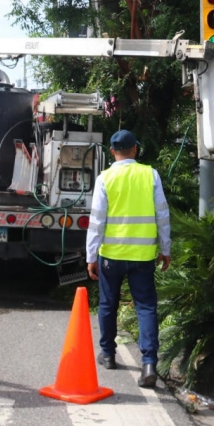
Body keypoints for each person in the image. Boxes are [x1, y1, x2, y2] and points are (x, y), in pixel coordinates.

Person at [86, 130, 171, 388]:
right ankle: (148, 363)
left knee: (108, 304)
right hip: (143, 256)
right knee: (145, 307)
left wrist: (90, 256)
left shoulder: (105, 178)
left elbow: (97, 220)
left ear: (112, 152)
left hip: (111, 255)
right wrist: (165, 249)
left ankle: (109, 354)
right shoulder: (150, 174)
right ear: (135, 149)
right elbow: (162, 215)